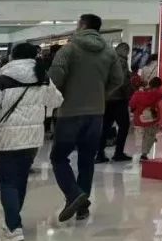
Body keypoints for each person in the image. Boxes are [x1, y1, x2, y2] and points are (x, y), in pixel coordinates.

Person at [0, 43, 63, 241]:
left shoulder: (2, 80)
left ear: (12, 57)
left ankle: (13, 227)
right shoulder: (43, 78)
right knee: (20, 180)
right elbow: (57, 101)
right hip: (32, 139)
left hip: (7, 139)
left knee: (7, 182)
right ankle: (12, 221)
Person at [48, 14, 122, 223]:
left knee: (58, 157)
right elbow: (118, 79)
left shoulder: (69, 49)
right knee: (87, 159)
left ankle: (74, 195)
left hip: (70, 112)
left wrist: (61, 95)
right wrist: (101, 94)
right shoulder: (109, 52)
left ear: (82, 25)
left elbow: (55, 78)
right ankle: (82, 207)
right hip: (96, 113)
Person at [97, 42, 133, 164]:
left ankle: (100, 154)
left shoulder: (106, 60)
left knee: (105, 126)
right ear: (124, 50)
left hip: (106, 99)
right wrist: (129, 93)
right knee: (124, 126)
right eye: (127, 52)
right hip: (118, 99)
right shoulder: (121, 61)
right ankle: (118, 153)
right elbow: (122, 81)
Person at [129, 77, 162, 161]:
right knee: (150, 135)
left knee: (141, 135)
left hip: (140, 118)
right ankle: (144, 154)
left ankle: (137, 149)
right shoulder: (159, 93)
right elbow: (161, 95)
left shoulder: (138, 94)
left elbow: (132, 104)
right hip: (152, 118)